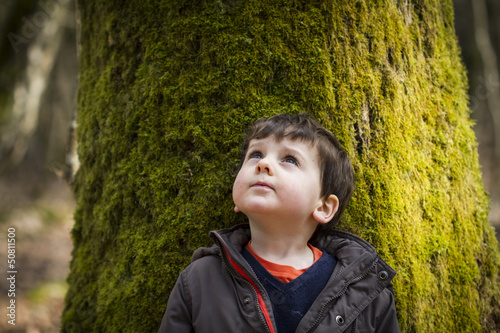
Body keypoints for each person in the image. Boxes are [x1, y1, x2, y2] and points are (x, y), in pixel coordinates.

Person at [158, 113, 400, 332]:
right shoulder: (198, 281)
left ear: (324, 207)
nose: (263, 164)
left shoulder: (366, 293)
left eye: (290, 160)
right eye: (255, 155)